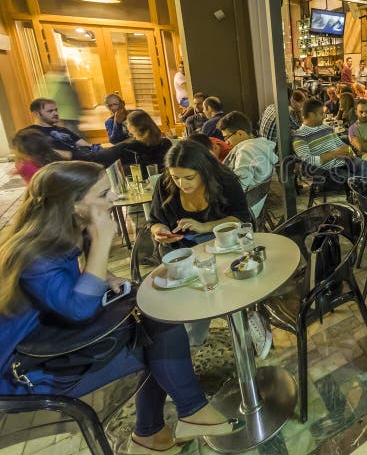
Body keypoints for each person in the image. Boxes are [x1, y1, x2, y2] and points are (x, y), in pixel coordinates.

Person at [0, 161, 242, 453]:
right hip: (29, 369)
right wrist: (102, 242)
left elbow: (72, 283)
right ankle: (168, 423)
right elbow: (78, 309)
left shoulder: (64, 229)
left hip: (55, 338)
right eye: (103, 194)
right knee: (159, 342)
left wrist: (104, 274)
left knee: (160, 323)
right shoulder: (34, 253)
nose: (113, 198)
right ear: (74, 204)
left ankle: (158, 430)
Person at [150, 140, 250, 253]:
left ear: (205, 170)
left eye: (189, 178)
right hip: (182, 251)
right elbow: (155, 221)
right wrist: (160, 231)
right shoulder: (164, 183)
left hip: (224, 245)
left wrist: (205, 227)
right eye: (176, 177)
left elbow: (241, 218)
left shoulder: (225, 181)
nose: (182, 184)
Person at [292, 99, 367, 179]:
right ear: (311, 115)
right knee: (357, 180)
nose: (324, 116)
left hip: (345, 161)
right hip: (328, 171)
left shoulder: (326, 128)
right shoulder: (300, 136)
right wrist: (335, 153)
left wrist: (349, 152)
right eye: (321, 113)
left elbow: (342, 145)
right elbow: (308, 161)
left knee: (364, 165)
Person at [218, 111, 278, 217]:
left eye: (227, 137)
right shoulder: (260, 145)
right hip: (254, 204)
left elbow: (238, 188)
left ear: (240, 133)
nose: (226, 142)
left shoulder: (247, 151)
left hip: (243, 211)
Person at [93, 110, 173, 171]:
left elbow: (100, 157)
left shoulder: (126, 147)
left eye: (127, 123)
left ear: (132, 128)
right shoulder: (166, 143)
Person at [25, 98, 92, 157]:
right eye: (50, 111)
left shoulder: (63, 129)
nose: (56, 113)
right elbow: (42, 154)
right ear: (36, 114)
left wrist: (96, 150)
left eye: (56, 110)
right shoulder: (30, 132)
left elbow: (86, 145)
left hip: (83, 158)